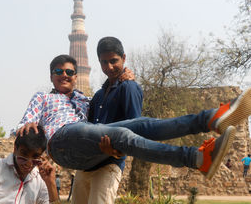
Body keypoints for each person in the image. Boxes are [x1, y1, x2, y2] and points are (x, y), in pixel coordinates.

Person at [17, 54, 251, 180]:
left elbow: (106, 101)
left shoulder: (83, 100)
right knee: (122, 133)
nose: (64, 75)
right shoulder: (43, 98)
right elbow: (25, 124)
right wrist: (29, 131)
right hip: (61, 142)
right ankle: (194, 158)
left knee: (141, 123)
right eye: (59, 72)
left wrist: (122, 79)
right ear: (51, 76)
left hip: (82, 146)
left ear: (76, 76)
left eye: (69, 72)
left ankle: (212, 119)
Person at [71, 36, 143, 204]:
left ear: (124, 58)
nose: (109, 67)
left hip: (109, 164)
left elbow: (134, 128)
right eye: (104, 62)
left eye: (114, 61)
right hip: (87, 165)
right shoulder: (100, 95)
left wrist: (117, 151)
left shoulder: (129, 88)